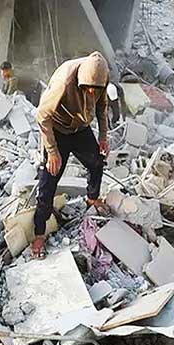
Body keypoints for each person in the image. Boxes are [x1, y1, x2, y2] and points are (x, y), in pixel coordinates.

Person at [33, 51, 110, 258]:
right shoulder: (65, 80)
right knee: (50, 177)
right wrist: (52, 151)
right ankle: (39, 232)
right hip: (58, 129)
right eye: (88, 88)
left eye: (96, 88)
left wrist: (103, 136)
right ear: (81, 81)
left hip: (80, 128)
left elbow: (102, 107)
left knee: (97, 161)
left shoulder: (102, 77)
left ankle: (92, 198)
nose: (92, 92)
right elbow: (42, 116)